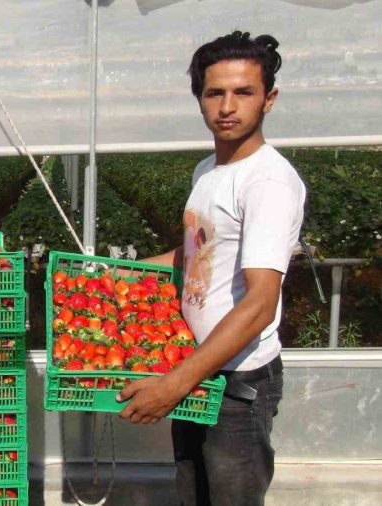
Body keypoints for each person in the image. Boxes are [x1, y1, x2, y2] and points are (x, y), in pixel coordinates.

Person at [116, 32, 306, 505]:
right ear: (199, 99)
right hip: (197, 369)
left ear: (269, 99)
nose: (227, 106)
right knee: (195, 494)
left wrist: (174, 384)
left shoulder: (267, 183)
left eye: (244, 92)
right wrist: (121, 273)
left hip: (235, 385)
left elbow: (261, 303)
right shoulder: (209, 171)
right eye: (214, 92)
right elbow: (199, 254)